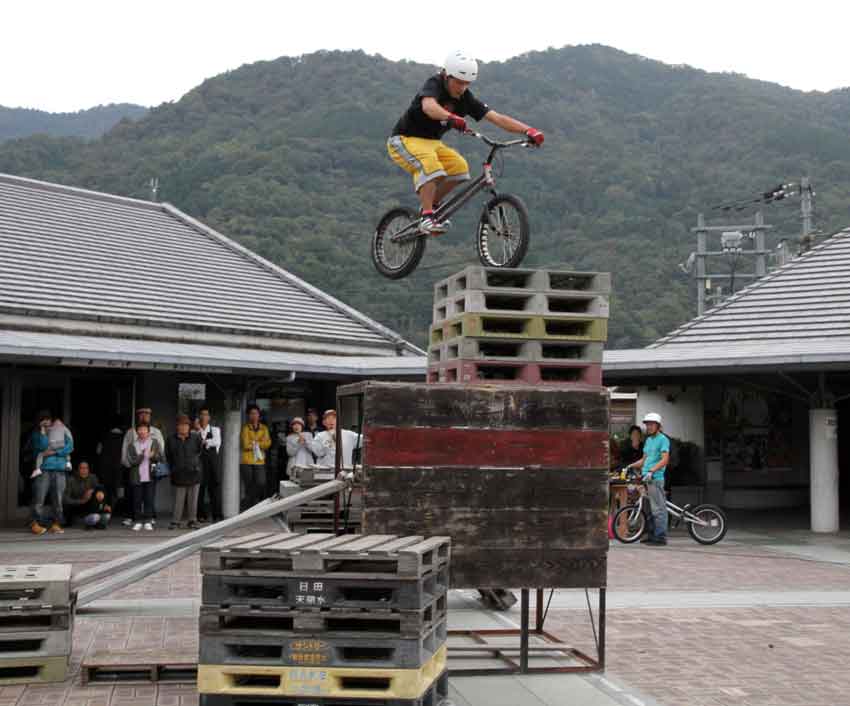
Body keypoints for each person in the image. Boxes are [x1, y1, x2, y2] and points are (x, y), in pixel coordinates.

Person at [388, 50, 544, 235]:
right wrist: (451, 117)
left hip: (432, 142)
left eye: (466, 83)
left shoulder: (466, 99)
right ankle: (427, 217)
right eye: (459, 82)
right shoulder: (435, 83)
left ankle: (430, 206)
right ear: (447, 75)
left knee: (460, 169)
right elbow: (428, 106)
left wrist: (528, 130)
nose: (462, 88)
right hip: (405, 139)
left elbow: (498, 118)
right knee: (431, 165)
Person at [625, 413, 670, 546]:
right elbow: (644, 460)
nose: (649, 427)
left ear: (658, 426)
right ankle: (651, 535)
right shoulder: (649, 441)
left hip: (655, 478)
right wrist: (630, 465)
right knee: (649, 509)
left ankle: (661, 537)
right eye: (647, 424)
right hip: (646, 478)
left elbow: (665, 459)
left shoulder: (663, 439)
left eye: (652, 424)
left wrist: (652, 471)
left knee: (658, 509)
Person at [30, 411, 74, 535]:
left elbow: (70, 446)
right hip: (44, 469)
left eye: (48, 420)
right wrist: (43, 432)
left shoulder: (61, 431)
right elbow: (43, 447)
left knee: (58, 499)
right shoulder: (37, 434)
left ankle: (56, 523)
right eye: (43, 420)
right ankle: (35, 523)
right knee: (39, 498)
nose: (47, 422)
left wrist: (56, 452)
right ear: (39, 422)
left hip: (60, 469)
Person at [121, 407, 167, 527]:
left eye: (147, 414)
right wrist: (128, 464)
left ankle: (149, 518)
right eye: (141, 414)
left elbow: (161, 451)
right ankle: (133, 518)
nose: (144, 416)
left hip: (150, 471)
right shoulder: (131, 432)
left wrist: (154, 456)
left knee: (149, 497)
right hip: (135, 471)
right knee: (134, 497)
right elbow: (125, 450)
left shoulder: (156, 432)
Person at [166, 415, 203, 529]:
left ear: (189, 427)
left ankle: (192, 521)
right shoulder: (171, 439)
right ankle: (175, 522)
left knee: (193, 500)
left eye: (186, 425)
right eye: (181, 425)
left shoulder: (195, 437)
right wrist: (174, 467)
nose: (183, 428)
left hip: (193, 472)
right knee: (179, 499)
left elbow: (200, 451)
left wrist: (195, 464)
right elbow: (168, 455)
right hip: (178, 473)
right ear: (177, 427)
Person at [126, 422, 162, 531]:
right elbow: (131, 461)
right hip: (137, 477)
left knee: (149, 499)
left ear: (148, 432)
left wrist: (153, 456)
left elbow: (160, 456)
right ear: (137, 432)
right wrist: (142, 455)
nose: (142, 432)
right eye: (140, 430)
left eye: (144, 430)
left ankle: (148, 520)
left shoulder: (154, 442)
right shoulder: (132, 445)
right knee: (137, 500)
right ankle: (137, 521)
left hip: (150, 476)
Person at [240, 404, 271, 509]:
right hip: (247, 461)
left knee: (261, 482)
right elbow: (245, 444)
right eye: (252, 413)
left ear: (259, 415)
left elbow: (267, 443)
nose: (254, 415)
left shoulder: (264, 428)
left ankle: (249, 503)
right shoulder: (245, 428)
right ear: (249, 415)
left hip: (259, 460)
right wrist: (259, 443)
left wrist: (254, 443)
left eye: (256, 413)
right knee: (249, 485)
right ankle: (252, 506)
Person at [195, 407, 222, 523]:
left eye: (206, 414)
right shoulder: (195, 431)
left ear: (209, 417)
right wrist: (200, 432)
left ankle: (217, 515)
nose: (204, 417)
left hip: (213, 463)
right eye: (202, 414)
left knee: (214, 489)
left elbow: (216, 442)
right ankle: (200, 514)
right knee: (200, 489)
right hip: (200, 463)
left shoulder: (215, 430)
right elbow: (196, 445)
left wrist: (205, 441)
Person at [96, 415, 125, 516]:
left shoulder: (104, 436)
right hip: (118, 467)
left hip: (105, 467)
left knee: (106, 488)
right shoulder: (124, 437)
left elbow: (98, 451)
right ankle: (114, 509)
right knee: (116, 489)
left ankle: (106, 508)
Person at [63, 460, 100, 527]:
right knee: (66, 506)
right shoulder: (71, 480)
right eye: (81, 468)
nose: (84, 470)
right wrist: (81, 501)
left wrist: (92, 490)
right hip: (75, 505)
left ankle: (93, 520)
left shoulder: (93, 477)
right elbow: (66, 499)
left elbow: (100, 490)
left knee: (97, 495)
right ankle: (69, 521)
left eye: (86, 468)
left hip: (88, 505)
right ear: (77, 469)